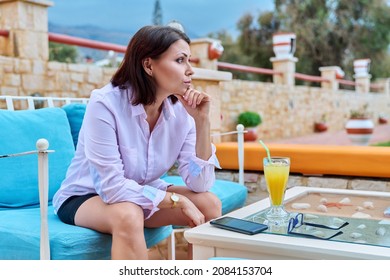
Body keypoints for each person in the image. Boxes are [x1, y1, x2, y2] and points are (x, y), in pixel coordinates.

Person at [52, 25, 222, 260]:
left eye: (189, 60)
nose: (190, 70)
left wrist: (202, 122)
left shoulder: (183, 113)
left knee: (209, 204)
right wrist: (175, 200)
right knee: (128, 213)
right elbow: (111, 188)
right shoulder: (105, 103)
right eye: (180, 60)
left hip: (140, 191)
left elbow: (200, 183)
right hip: (87, 196)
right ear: (149, 65)